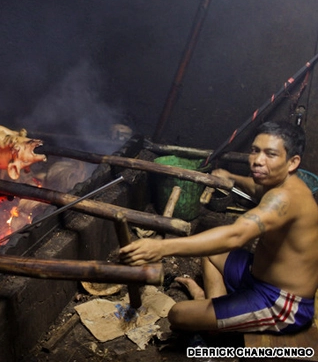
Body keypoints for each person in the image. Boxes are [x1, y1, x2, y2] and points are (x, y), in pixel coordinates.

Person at [120, 121, 318, 334]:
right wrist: (231, 177)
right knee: (214, 253)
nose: (258, 161)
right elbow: (257, 188)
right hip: (257, 275)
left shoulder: (284, 199)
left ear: (292, 162)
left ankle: (212, 319)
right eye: (255, 151)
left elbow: (237, 235)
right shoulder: (282, 183)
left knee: (177, 314)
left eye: (270, 154)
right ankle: (218, 312)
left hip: (281, 303)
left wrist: (160, 248)